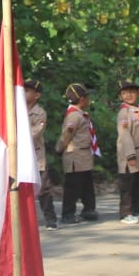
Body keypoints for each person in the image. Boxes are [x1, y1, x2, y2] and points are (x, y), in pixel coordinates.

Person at [56, 82, 99, 223]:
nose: (89, 100)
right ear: (82, 99)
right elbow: (66, 136)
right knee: (73, 187)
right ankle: (68, 214)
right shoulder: (74, 116)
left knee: (87, 185)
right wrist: (59, 149)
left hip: (84, 156)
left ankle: (89, 210)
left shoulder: (80, 115)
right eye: (87, 97)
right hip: (76, 156)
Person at [116, 78, 139, 224]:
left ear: (138, 93)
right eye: (125, 93)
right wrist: (130, 155)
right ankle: (125, 213)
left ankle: (138, 209)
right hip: (129, 154)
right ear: (120, 96)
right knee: (127, 185)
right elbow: (125, 135)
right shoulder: (124, 113)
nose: (129, 95)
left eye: (132, 92)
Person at [24, 79, 56, 229]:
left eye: (27, 90)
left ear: (36, 95)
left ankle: (51, 219)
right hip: (18, 157)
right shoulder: (14, 110)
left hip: (36, 157)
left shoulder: (40, 112)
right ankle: (23, 220)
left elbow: (36, 132)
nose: (23, 93)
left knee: (43, 189)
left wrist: (16, 137)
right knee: (20, 189)